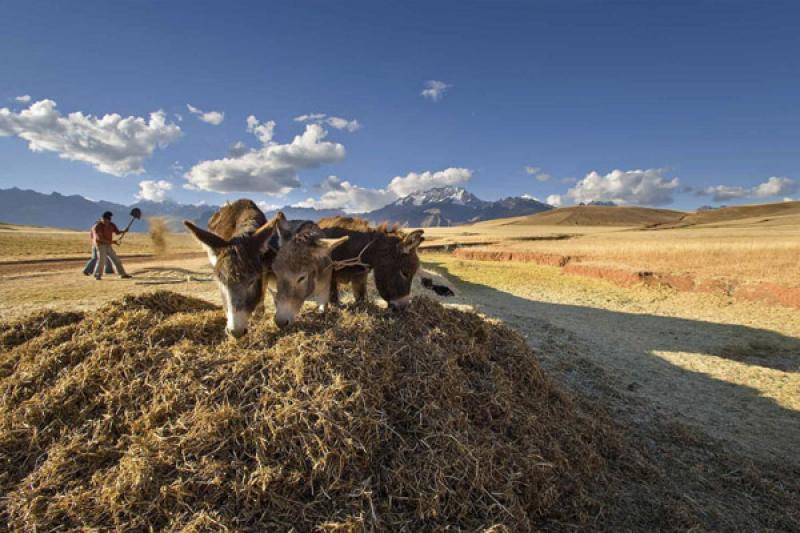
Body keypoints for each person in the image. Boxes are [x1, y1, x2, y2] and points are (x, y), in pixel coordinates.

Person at [91, 211, 132, 280]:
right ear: (102, 218)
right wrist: (113, 242)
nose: (107, 221)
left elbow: (117, 232)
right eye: (105, 219)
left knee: (116, 259)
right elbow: (100, 239)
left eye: (108, 219)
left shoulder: (111, 224)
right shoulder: (97, 226)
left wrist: (124, 230)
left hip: (108, 245)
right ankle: (97, 274)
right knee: (102, 260)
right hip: (100, 245)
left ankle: (122, 274)